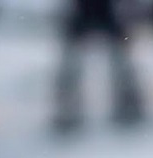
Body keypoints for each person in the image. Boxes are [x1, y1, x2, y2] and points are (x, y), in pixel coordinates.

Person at [51, 0, 144, 132]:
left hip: (108, 11)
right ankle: (67, 107)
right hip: (85, 10)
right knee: (71, 63)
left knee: (121, 61)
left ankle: (129, 102)